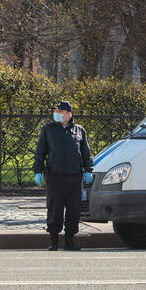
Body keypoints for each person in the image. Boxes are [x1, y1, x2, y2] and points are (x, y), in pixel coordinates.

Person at [32, 101, 94, 251]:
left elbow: (86, 152)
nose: (56, 114)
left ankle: (69, 240)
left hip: (74, 177)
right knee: (55, 208)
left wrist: (88, 170)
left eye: (59, 112)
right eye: (56, 112)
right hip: (55, 176)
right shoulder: (48, 130)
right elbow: (40, 152)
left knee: (74, 210)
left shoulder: (79, 131)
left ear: (68, 114)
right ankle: (53, 240)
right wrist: (38, 171)